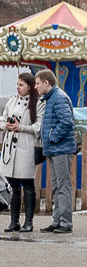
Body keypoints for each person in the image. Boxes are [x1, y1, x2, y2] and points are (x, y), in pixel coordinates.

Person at [1, 72, 44, 233]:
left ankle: (29, 221)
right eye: (17, 84)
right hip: (10, 148)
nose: (18, 88)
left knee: (27, 184)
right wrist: (7, 126)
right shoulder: (12, 100)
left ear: (29, 86)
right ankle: (14, 221)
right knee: (12, 185)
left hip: (26, 146)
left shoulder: (37, 103)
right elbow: (2, 119)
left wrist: (21, 128)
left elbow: (39, 126)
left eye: (21, 85)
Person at [34, 69, 76, 234]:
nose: (35, 87)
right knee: (57, 186)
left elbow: (66, 122)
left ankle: (65, 222)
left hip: (61, 148)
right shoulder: (51, 98)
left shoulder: (58, 98)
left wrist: (51, 137)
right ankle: (58, 220)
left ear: (46, 82)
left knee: (63, 185)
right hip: (55, 149)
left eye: (38, 83)